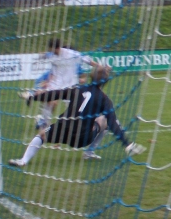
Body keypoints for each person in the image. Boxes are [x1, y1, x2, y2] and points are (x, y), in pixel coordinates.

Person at [9, 63, 144, 166]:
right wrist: (127, 144)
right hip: (82, 138)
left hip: (63, 129)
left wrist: (32, 97)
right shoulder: (105, 100)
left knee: (41, 135)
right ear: (106, 82)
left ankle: (23, 160)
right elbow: (114, 123)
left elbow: (54, 94)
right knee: (105, 121)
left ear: (91, 76)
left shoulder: (77, 89)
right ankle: (89, 152)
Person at [33, 38, 89, 129]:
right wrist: (45, 83)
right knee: (52, 102)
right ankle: (44, 121)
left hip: (70, 88)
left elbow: (83, 76)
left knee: (74, 105)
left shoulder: (75, 64)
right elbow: (49, 75)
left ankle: (76, 122)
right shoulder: (57, 62)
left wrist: (81, 79)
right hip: (57, 87)